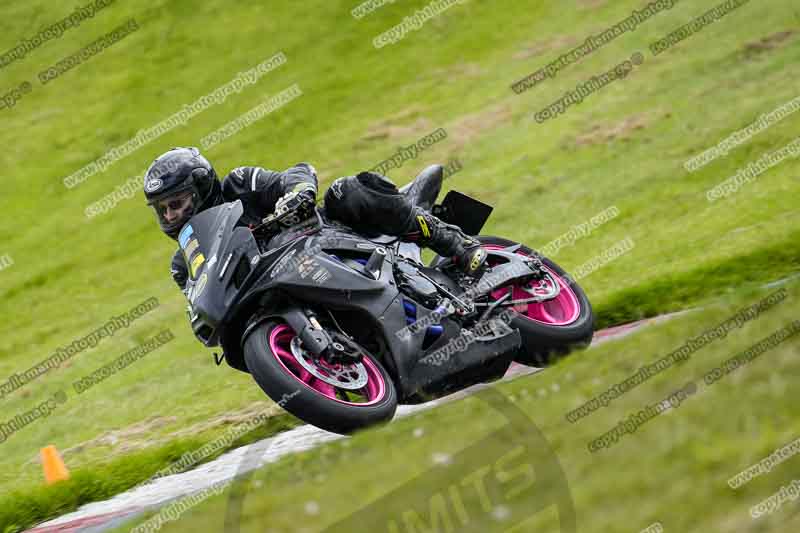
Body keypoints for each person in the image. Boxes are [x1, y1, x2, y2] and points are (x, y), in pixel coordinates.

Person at [142, 147, 487, 292]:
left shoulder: (238, 184)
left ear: (201, 187)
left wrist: (298, 195)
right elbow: (200, 295)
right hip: (280, 290)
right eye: (164, 210)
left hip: (327, 241)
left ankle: (454, 242)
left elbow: (295, 174)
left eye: (177, 203)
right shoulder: (183, 261)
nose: (172, 215)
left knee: (345, 191)